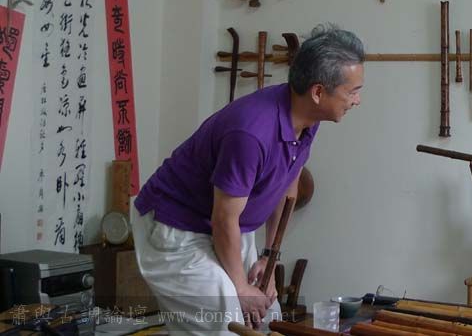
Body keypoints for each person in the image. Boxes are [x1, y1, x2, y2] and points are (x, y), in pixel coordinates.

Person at [131, 25, 365, 334]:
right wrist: (240, 288)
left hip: (228, 227)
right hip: (176, 229)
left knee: (267, 318)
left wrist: (269, 257)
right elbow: (223, 218)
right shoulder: (251, 133)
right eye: (352, 91)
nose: (357, 100)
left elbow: (288, 188)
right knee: (225, 321)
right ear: (318, 92)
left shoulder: (307, 116)